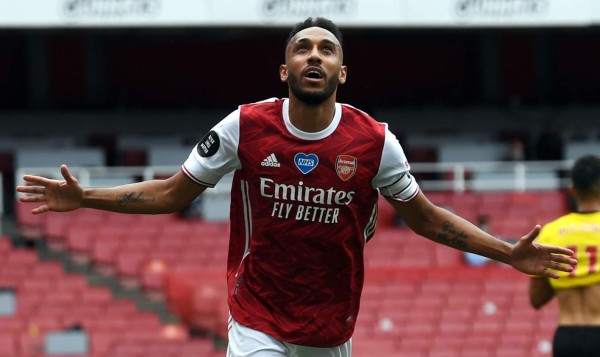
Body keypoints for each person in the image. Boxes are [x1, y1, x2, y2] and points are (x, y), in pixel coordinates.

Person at [17, 17, 576, 357]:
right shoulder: (243, 127)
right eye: (302, 49)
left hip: (331, 318)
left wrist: (507, 253)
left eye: (326, 50)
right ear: (284, 70)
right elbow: (172, 193)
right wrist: (85, 197)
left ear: (342, 72)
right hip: (256, 308)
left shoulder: (375, 141)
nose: (314, 55)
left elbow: (426, 218)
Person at [529, 154, 600, 357]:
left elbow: (536, 299)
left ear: (573, 190)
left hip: (567, 338)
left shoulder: (551, 232)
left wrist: (570, 272)